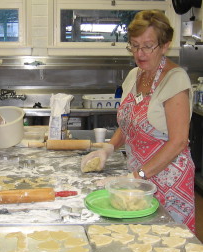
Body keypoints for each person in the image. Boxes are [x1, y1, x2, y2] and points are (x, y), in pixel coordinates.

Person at [81, 10, 195, 232]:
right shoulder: (135, 75)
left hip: (168, 180)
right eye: (134, 45)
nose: (140, 53)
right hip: (137, 177)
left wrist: (138, 177)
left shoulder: (175, 79)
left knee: (167, 245)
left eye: (147, 46)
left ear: (164, 46)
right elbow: (129, 124)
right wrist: (108, 148)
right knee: (136, 238)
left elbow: (179, 141)